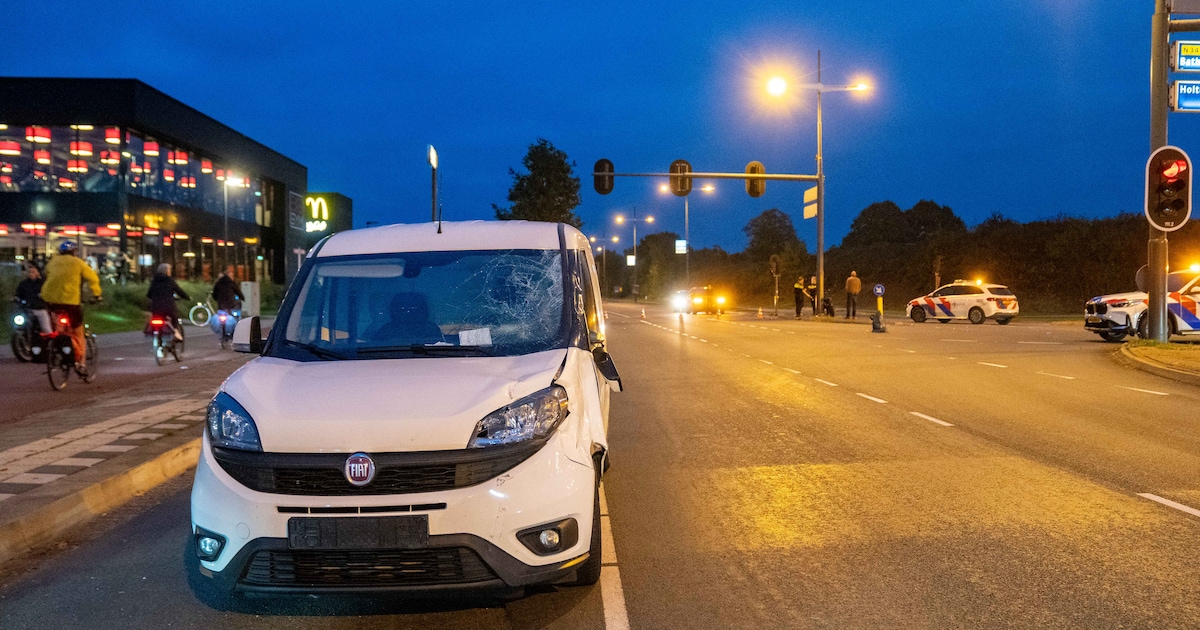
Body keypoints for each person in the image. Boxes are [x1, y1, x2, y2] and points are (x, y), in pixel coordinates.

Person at [40, 241, 102, 372]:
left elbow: (47, 275)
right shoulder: (78, 263)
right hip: (71, 302)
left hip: (51, 301)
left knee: (58, 329)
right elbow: (93, 278)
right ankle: (80, 363)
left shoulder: (52, 262)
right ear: (74, 252)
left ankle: (57, 350)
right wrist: (97, 295)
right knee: (77, 332)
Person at [147, 263, 189, 340]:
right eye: (169, 270)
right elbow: (179, 291)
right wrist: (187, 297)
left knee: (155, 318)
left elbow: (149, 294)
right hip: (168, 307)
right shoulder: (169, 280)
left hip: (155, 307)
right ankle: (176, 332)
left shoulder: (154, 281)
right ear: (166, 271)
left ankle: (155, 333)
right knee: (174, 317)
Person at [15, 265, 51, 333]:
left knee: (46, 328)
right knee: (21, 324)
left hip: (40, 309)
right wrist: (16, 298)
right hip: (27, 310)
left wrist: (42, 296)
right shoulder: (23, 284)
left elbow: (48, 293)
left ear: (37, 273)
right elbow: (18, 294)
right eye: (29, 272)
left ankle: (50, 340)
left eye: (33, 272)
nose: (31, 273)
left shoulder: (43, 283)